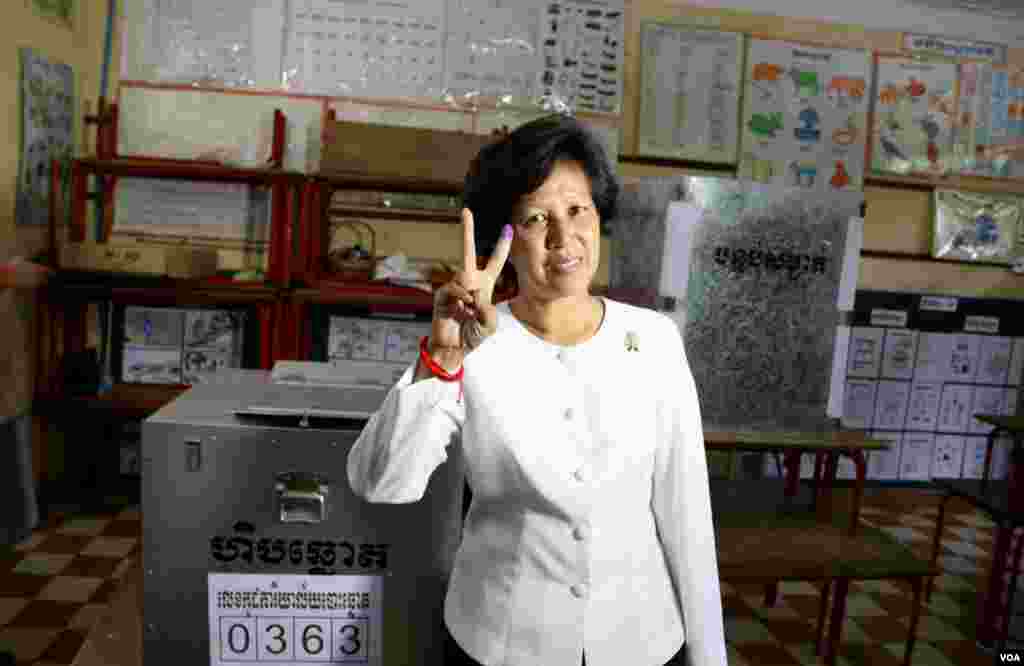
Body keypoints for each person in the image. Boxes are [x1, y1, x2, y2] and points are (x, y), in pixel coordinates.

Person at [347, 114, 726, 666]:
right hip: (501, 641)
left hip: (640, 639)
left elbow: (686, 512)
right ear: (503, 235)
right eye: (534, 218)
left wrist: (707, 656)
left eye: (578, 211)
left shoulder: (654, 340)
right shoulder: (473, 344)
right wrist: (444, 357)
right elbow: (383, 485)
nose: (563, 238)